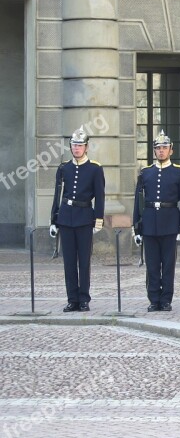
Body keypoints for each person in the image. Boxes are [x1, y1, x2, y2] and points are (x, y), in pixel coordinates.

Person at [133, 131, 180, 312]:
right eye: (158, 148)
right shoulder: (146, 173)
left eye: (164, 148)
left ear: (171, 151)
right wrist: (137, 228)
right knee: (151, 265)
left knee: (167, 265)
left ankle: (166, 299)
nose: (161, 151)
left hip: (170, 222)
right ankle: (153, 299)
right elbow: (138, 201)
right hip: (150, 223)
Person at [49, 126, 105, 312]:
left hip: (84, 218)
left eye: (80, 145)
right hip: (65, 217)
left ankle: (84, 299)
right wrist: (53, 220)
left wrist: (98, 219)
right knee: (69, 262)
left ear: (86, 147)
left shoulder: (95, 169)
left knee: (84, 261)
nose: (76, 148)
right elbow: (58, 195)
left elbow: (100, 196)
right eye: (74, 145)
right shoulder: (64, 168)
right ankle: (72, 299)